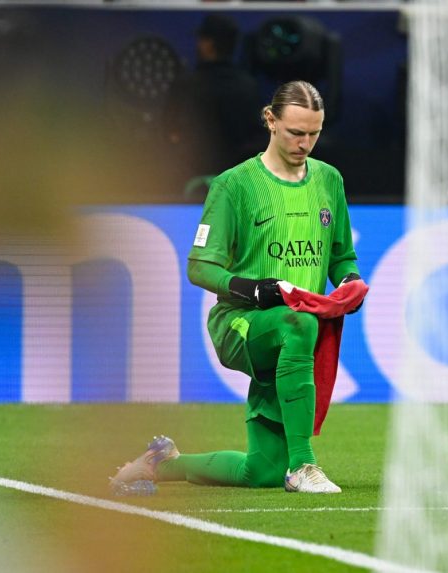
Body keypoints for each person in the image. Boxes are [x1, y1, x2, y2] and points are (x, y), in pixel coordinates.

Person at [111, 80, 364, 494]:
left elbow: (341, 257)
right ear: (270, 120)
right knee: (297, 326)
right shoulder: (234, 185)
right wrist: (253, 290)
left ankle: (162, 464)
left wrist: (351, 281)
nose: (305, 143)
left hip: (292, 334)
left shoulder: (329, 181)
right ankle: (303, 466)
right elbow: (200, 267)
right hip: (241, 324)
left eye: (314, 134)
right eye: (295, 133)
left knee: (261, 472)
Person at [164, 13, 263, 187]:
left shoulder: (184, 86)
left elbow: (169, 134)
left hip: (186, 187)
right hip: (238, 185)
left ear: (208, 44)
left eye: (201, 39)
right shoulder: (249, 87)